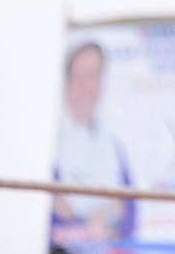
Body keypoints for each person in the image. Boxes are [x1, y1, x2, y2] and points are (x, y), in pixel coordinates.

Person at [51, 41, 136, 249]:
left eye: (94, 76)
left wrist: (98, 221)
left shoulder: (112, 145)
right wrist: (86, 225)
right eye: (80, 77)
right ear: (67, 82)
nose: (88, 87)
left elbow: (129, 213)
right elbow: (50, 214)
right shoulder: (51, 146)